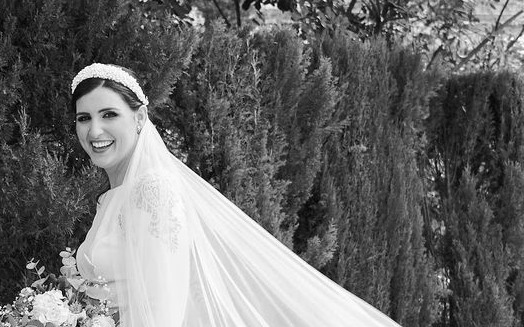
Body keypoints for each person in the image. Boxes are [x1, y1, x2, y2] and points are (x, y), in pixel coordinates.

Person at [73, 63, 403, 327]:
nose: (94, 131)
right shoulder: (113, 198)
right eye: (84, 118)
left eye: (109, 114)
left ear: (140, 117)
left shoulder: (154, 189)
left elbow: (164, 307)